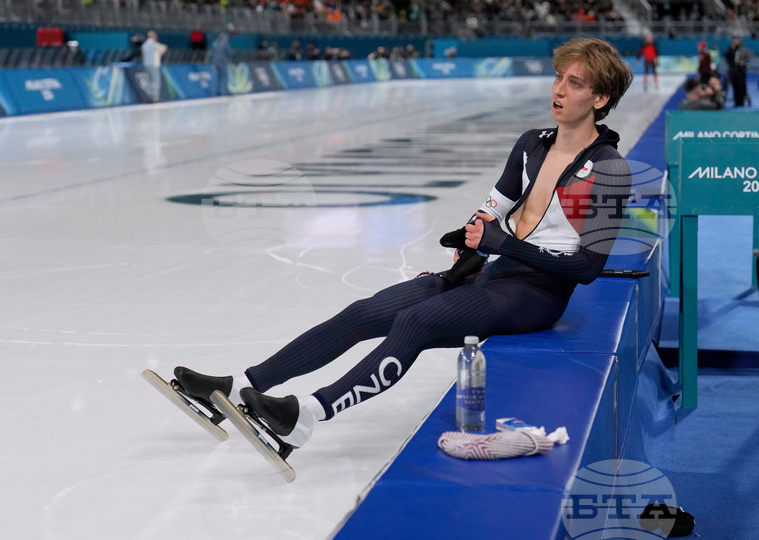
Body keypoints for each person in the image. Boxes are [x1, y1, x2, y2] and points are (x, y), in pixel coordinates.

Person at [172, 38, 634, 450]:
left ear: (600, 98)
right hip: (492, 273)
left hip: (537, 293)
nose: (558, 89)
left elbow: (588, 269)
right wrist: (473, 233)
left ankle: (307, 416)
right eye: (558, 77)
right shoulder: (533, 142)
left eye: (574, 84)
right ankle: (239, 389)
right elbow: (494, 204)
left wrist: (503, 245)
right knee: (363, 313)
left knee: (415, 321)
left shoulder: (610, 169)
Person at [724, 37, 753, 108]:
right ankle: (736, 101)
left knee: (741, 86)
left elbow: (749, 55)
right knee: (734, 86)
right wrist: (731, 49)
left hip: (741, 71)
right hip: (733, 70)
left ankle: (741, 101)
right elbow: (727, 56)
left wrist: (743, 62)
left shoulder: (743, 49)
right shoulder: (731, 49)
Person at [141, 30, 166, 103]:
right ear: (153, 37)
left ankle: (150, 97)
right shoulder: (155, 44)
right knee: (155, 81)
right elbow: (164, 48)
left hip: (146, 64)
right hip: (154, 65)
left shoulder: (144, 45)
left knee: (149, 81)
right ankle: (155, 98)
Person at [210, 32, 230, 97]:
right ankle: (224, 92)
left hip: (215, 62)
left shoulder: (214, 43)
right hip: (223, 62)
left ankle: (216, 92)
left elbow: (212, 52)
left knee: (216, 77)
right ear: (223, 37)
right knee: (224, 77)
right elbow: (229, 52)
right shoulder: (224, 43)